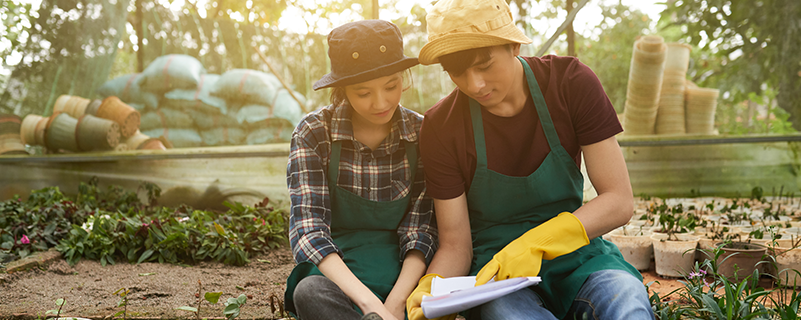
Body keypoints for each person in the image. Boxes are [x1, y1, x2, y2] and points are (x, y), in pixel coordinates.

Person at [405, 0, 654, 319]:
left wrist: (537, 243)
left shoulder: (570, 83)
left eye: (484, 65)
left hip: (579, 258)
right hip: (499, 278)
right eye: (457, 73)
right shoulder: (441, 126)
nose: (474, 85)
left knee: (627, 304)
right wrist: (432, 287)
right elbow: (456, 244)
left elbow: (618, 200)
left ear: (512, 45)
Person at [284, 20, 437, 320]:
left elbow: (423, 229)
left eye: (391, 86)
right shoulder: (314, 134)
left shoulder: (423, 133)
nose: (381, 103)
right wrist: (370, 306)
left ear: (403, 77)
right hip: (339, 276)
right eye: (363, 92)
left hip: (405, 276)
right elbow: (308, 230)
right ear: (342, 89)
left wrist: (394, 305)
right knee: (310, 293)